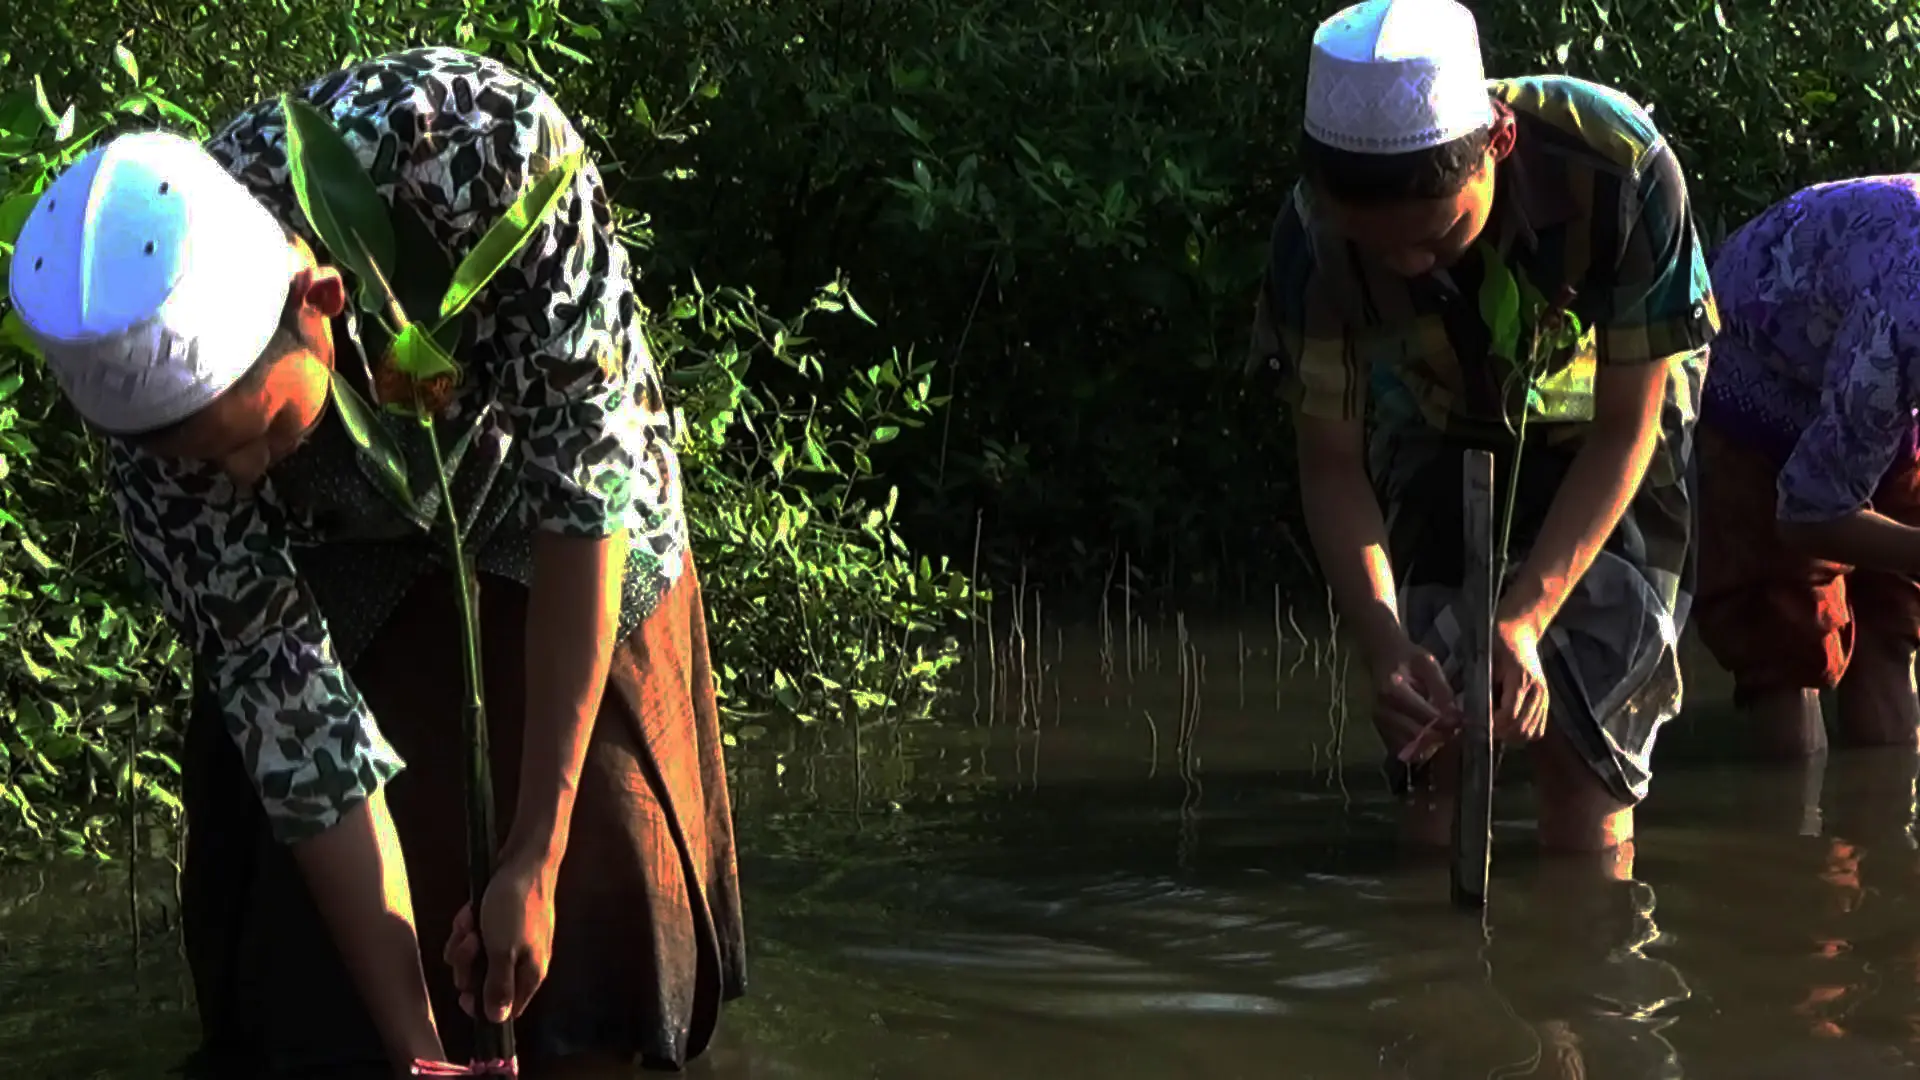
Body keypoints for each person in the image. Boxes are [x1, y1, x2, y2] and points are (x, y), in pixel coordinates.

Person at [6, 46, 745, 1078]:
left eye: (257, 438)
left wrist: (536, 851)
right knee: (307, 990)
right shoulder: (152, 454)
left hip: (532, 473)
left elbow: (584, 496)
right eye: (203, 463)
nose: (242, 479)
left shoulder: (486, 155)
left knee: (599, 912)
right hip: (338, 548)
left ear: (319, 301)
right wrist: (416, 1051)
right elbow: (297, 725)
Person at [1247, 0, 1718, 856]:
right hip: (1435, 415)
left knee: (1587, 740)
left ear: (1498, 141)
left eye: (1438, 237)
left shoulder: (1621, 168)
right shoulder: (1311, 240)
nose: (1407, 267)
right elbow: (1331, 466)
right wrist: (1382, 641)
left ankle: (1588, 960)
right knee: (1436, 733)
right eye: (1377, 247)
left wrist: (1525, 618)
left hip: (1607, 433)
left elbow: (1628, 427)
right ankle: (1433, 973)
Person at [1695, 176, 1920, 760]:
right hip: (1756, 350)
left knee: (1890, 626)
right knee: (1792, 638)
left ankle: (1883, 832)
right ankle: (1800, 835)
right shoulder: (1899, 331)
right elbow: (1806, 517)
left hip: (1870, 344)